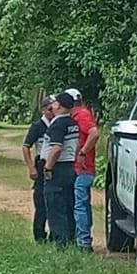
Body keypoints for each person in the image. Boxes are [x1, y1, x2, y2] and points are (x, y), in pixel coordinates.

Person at [42, 93, 80, 250]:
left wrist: (48, 167)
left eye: (55, 102)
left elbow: (57, 148)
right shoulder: (73, 123)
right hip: (70, 166)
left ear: (59, 105)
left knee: (55, 205)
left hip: (57, 168)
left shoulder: (58, 124)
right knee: (68, 204)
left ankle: (60, 243)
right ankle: (71, 238)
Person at [66, 88, 99, 252]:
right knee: (83, 203)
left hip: (83, 168)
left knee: (80, 205)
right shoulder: (80, 114)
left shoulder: (81, 115)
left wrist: (82, 152)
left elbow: (94, 133)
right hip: (84, 168)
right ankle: (83, 239)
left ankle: (83, 242)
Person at [22, 95, 56, 243]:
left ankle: (55, 234)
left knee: (55, 200)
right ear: (43, 110)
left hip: (56, 164)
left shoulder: (58, 123)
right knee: (40, 201)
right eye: (50, 109)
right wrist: (31, 167)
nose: (52, 111)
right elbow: (26, 147)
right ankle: (39, 235)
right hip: (41, 164)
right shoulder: (37, 127)